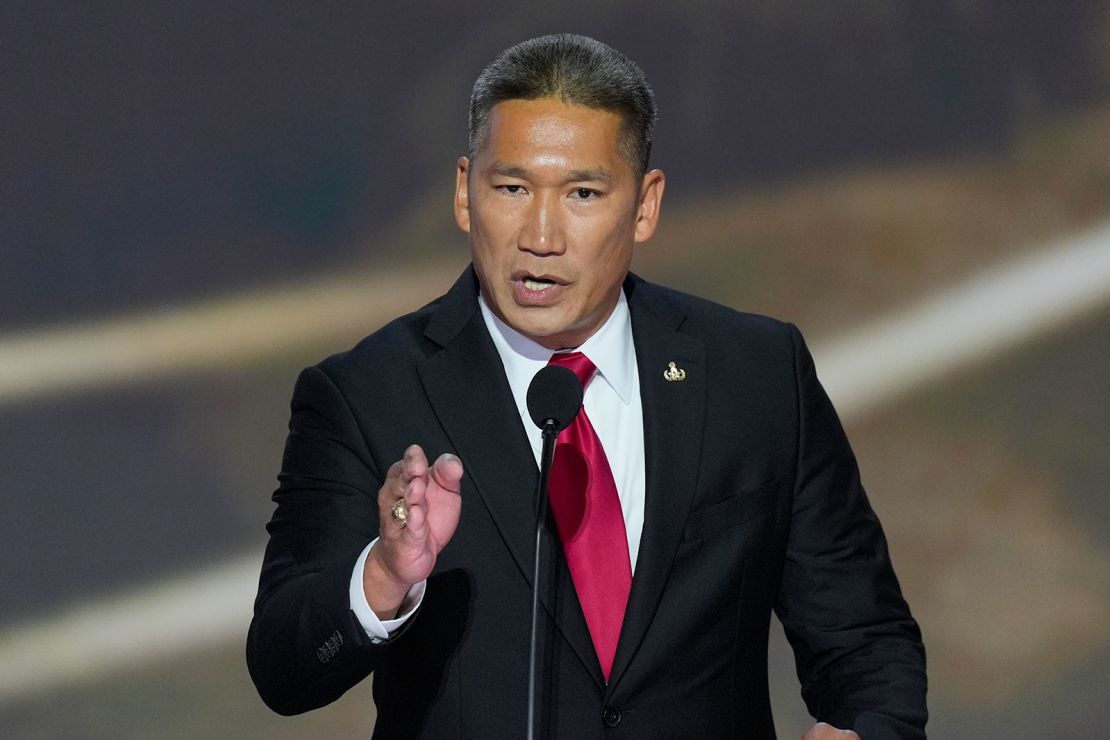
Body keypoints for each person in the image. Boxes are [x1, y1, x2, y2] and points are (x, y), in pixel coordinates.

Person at [247, 33, 927, 739]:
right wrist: (384, 577)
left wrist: (865, 732)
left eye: (582, 193)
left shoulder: (754, 374)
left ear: (644, 206)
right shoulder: (366, 395)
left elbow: (867, 642)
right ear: (463, 193)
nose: (541, 235)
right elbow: (283, 670)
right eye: (511, 188)